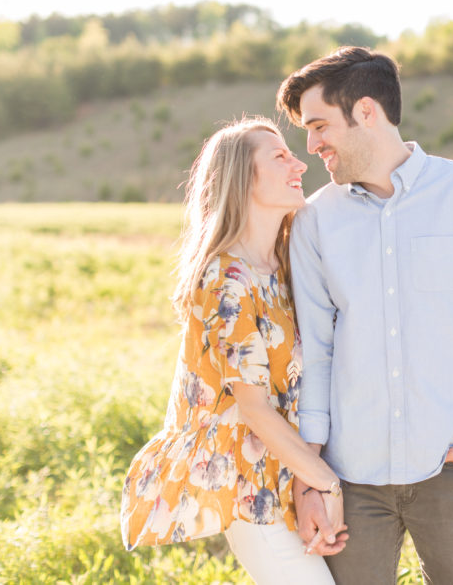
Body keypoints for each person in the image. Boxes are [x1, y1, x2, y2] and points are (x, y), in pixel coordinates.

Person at [276, 47, 453, 585]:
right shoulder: (315, 222)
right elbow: (317, 350)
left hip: (452, 465)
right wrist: (310, 475)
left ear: (367, 112)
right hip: (349, 478)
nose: (312, 145)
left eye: (320, 125)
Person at [120, 117, 347, 584]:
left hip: (284, 480)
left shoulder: (282, 268)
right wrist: (327, 484)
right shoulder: (227, 277)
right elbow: (256, 409)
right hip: (249, 491)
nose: (299, 163)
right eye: (280, 156)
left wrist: (305, 486)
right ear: (242, 177)